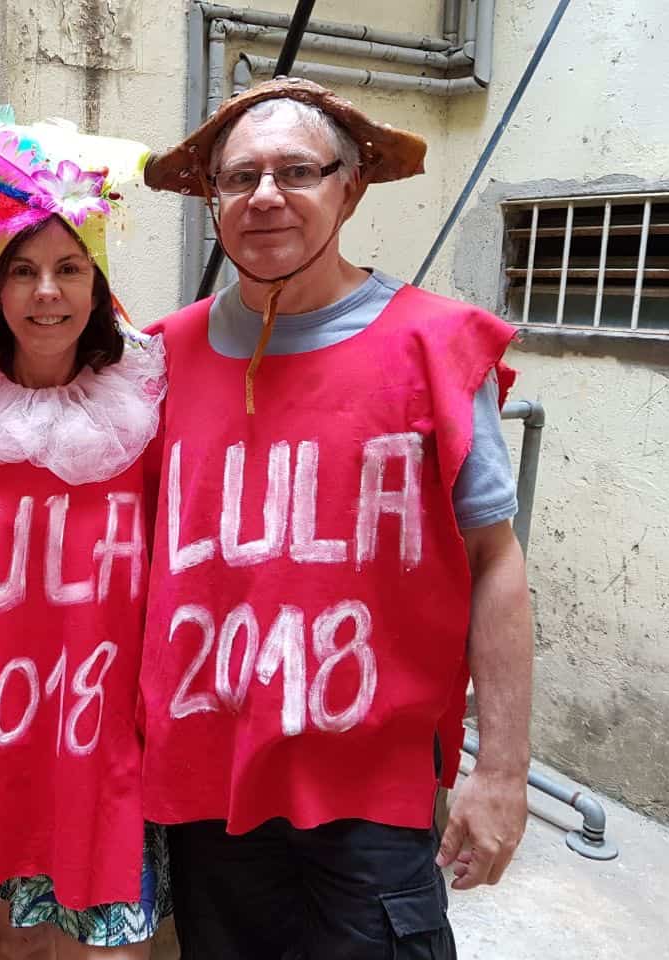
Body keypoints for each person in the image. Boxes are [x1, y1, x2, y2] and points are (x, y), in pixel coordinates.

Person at [136, 77, 533, 957]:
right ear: (212, 200)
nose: (265, 196)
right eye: (239, 177)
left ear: (349, 189)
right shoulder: (158, 358)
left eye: (296, 171)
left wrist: (502, 770)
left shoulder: (436, 347)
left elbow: (494, 559)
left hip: (372, 788)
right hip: (209, 781)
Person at [0, 111, 172, 959]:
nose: (47, 292)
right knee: (16, 952)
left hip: (109, 750)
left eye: (69, 268)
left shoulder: (147, 413)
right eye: (22, 270)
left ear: (97, 284)